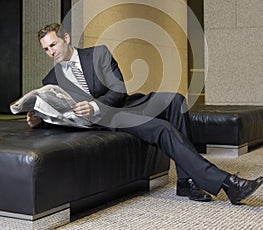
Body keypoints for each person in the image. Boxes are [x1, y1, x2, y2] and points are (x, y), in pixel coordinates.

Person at [27, 23, 263, 205]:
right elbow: (58, 113)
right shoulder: (51, 80)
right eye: (45, 49)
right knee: (162, 128)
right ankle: (227, 183)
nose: (50, 52)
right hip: (106, 120)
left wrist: (94, 105)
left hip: (124, 103)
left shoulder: (98, 54)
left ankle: (185, 180)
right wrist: (39, 119)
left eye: (53, 45)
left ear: (66, 39)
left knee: (176, 100)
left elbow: (119, 90)